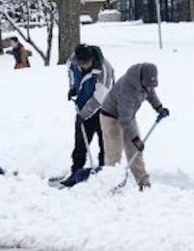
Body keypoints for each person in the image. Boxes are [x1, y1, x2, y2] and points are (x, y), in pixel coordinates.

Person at [100, 62, 169, 190]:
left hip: (128, 116)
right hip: (111, 116)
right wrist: (135, 139)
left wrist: (159, 108)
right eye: (147, 85)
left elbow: (151, 94)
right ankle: (112, 183)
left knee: (135, 150)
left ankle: (143, 181)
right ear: (141, 79)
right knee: (114, 152)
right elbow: (124, 118)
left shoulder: (145, 83)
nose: (149, 88)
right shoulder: (127, 88)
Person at [60, 43, 115, 186]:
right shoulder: (74, 61)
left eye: (86, 63)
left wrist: (84, 114)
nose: (83, 66)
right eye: (80, 63)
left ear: (92, 58)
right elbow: (71, 72)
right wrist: (72, 88)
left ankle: (104, 174)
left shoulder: (104, 70)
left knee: (105, 143)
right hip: (83, 106)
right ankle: (76, 172)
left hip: (105, 109)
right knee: (80, 143)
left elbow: (100, 97)